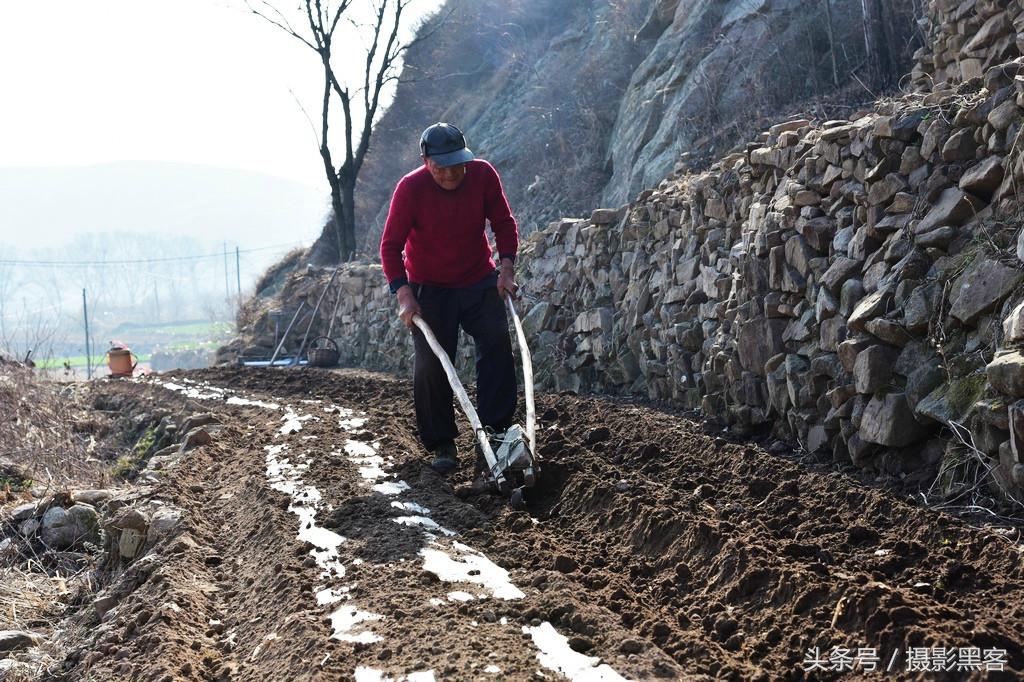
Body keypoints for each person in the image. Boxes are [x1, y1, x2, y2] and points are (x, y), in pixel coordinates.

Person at [379, 122, 519, 473]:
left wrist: (506, 269)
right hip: (431, 287)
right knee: (432, 362)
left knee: (497, 343)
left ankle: (496, 430)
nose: (450, 173)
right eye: (441, 167)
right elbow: (391, 247)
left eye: (456, 164)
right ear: (427, 162)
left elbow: (503, 223)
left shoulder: (483, 175)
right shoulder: (410, 189)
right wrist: (405, 295)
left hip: (477, 279)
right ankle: (442, 442)